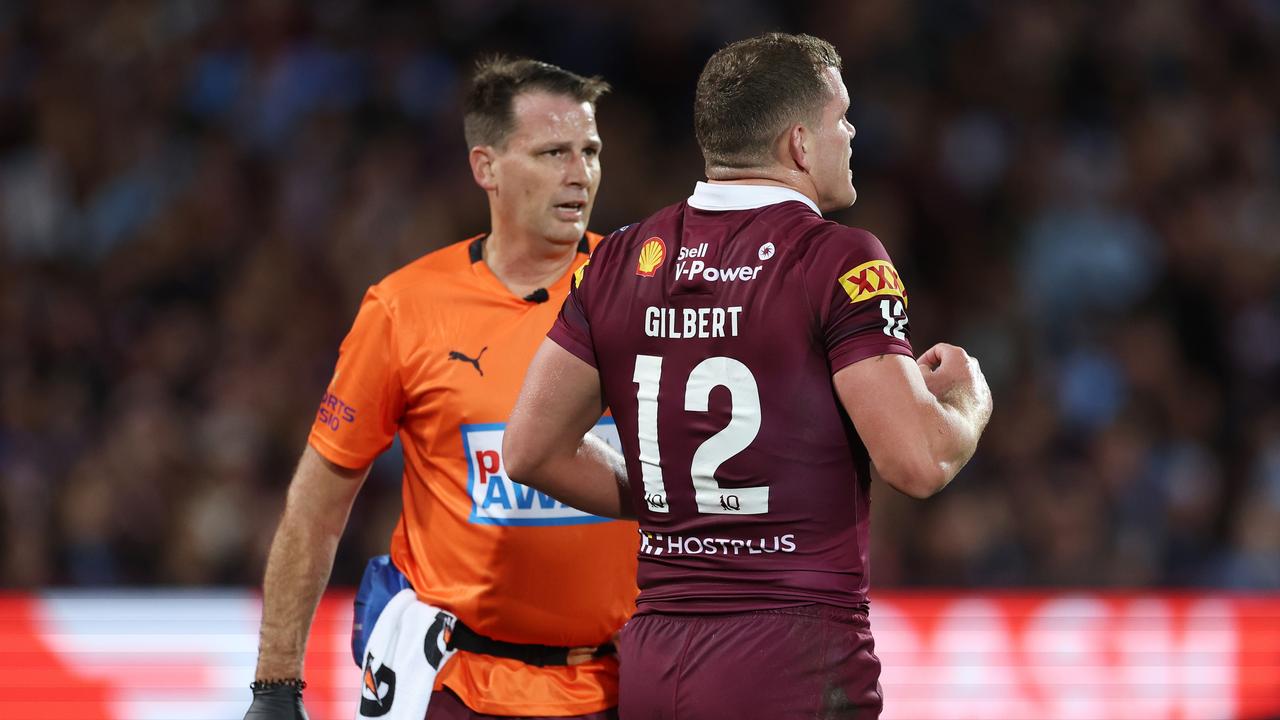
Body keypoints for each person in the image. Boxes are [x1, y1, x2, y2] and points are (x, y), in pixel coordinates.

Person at [503, 33, 993, 719]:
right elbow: (918, 460)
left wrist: (685, 502)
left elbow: (529, 450)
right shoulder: (838, 259)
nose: (851, 134)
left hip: (655, 659)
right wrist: (969, 399)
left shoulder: (616, 259)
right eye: (840, 118)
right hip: (794, 655)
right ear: (799, 144)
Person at [244, 57, 638, 720]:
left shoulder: (646, 293)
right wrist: (276, 685)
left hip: (621, 688)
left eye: (589, 151)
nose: (580, 174)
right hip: (456, 689)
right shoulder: (404, 310)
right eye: (552, 153)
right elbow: (317, 506)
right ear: (485, 167)